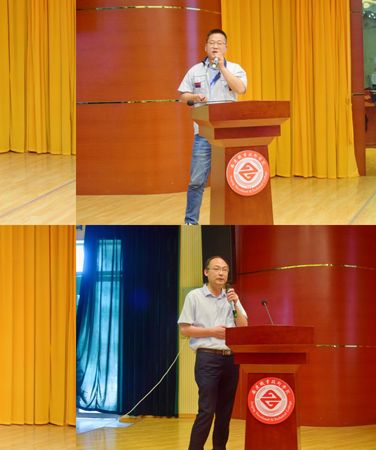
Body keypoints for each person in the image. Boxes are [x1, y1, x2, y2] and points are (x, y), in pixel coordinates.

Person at [178, 256, 248, 450]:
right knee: (207, 410)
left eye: (224, 269)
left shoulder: (232, 297)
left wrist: (235, 303)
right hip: (207, 358)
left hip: (231, 359)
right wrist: (212, 331)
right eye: (216, 269)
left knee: (225, 412)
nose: (221, 273)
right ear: (206, 272)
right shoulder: (194, 296)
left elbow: (243, 326)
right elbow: (185, 329)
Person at [178, 29, 247, 224]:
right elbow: (183, 96)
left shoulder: (234, 68)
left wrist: (222, 68)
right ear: (205, 47)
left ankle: (233, 220)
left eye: (220, 43)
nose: (215, 46)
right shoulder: (195, 70)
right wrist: (194, 97)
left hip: (229, 135)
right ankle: (191, 222)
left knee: (232, 180)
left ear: (226, 47)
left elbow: (241, 89)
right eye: (212, 43)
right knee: (196, 181)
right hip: (204, 134)